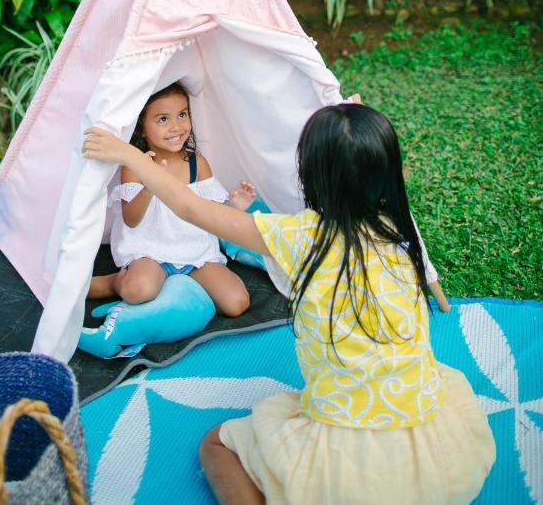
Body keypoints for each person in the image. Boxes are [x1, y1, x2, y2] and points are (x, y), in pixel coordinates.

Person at [82, 103, 495, 505]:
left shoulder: (299, 238)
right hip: (438, 456)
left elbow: (191, 207)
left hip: (345, 467)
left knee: (216, 445)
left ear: (310, 174)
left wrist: (127, 153)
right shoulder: (394, 229)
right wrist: (363, 127)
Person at [88, 81, 255, 317]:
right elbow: (132, 220)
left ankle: (178, 289)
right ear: (142, 128)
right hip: (150, 252)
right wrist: (149, 187)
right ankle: (114, 282)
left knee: (237, 303)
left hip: (195, 251)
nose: (176, 126)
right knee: (138, 290)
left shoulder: (197, 163)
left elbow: (213, 215)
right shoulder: (135, 165)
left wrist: (236, 208)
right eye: (163, 119)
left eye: (182, 114)